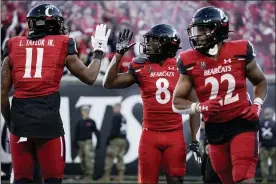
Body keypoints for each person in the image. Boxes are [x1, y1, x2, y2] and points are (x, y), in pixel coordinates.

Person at [1, 3, 111, 183]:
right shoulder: (63, 43)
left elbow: (2, 94)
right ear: (51, 23)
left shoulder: (13, 44)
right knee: (53, 179)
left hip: (19, 123)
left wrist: (10, 122)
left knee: (21, 180)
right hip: (48, 123)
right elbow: (91, 77)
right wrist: (98, 51)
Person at [172, 6, 268, 184]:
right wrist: (198, 107)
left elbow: (260, 82)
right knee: (226, 180)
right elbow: (176, 102)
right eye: (196, 29)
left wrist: (257, 104)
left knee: (243, 177)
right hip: (214, 130)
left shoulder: (241, 49)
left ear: (217, 29)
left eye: (202, 29)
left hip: (242, 122)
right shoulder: (188, 60)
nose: (197, 35)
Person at [103, 24, 201, 184]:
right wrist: (119, 54)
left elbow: (194, 106)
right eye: (149, 40)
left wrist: (195, 139)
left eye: (154, 41)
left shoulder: (182, 65)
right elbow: (109, 82)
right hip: (149, 134)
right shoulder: (140, 65)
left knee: (176, 179)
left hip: (174, 134)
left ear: (168, 43)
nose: (149, 44)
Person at [101, 103, 127, 183]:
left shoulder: (116, 116)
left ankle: (106, 178)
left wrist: (109, 139)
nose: (114, 109)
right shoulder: (123, 117)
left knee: (109, 157)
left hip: (115, 140)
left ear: (117, 108)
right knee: (120, 158)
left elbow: (114, 130)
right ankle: (120, 178)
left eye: (115, 108)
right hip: (123, 140)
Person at [74, 105, 100, 181]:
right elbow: (76, 133)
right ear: (82, 112)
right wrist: (74, 142)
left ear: (88, 112)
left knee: (89, 159)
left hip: (88, 142)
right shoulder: (79, 122)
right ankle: (85, 174)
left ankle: (89, 176)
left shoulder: (91, 122)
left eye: (87, 111)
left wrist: (98, 142)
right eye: (84, 111)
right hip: (80, 142)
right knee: (82, 159)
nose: (85, 112)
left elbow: (97, 132)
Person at [259, 107, 276, 184]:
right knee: (275, 163)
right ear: (272, 114)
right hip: (274, 146)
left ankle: (264, 180)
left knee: (264, 163)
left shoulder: (260, 123)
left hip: (263, 146)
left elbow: (258, 136)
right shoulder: (274, 123)